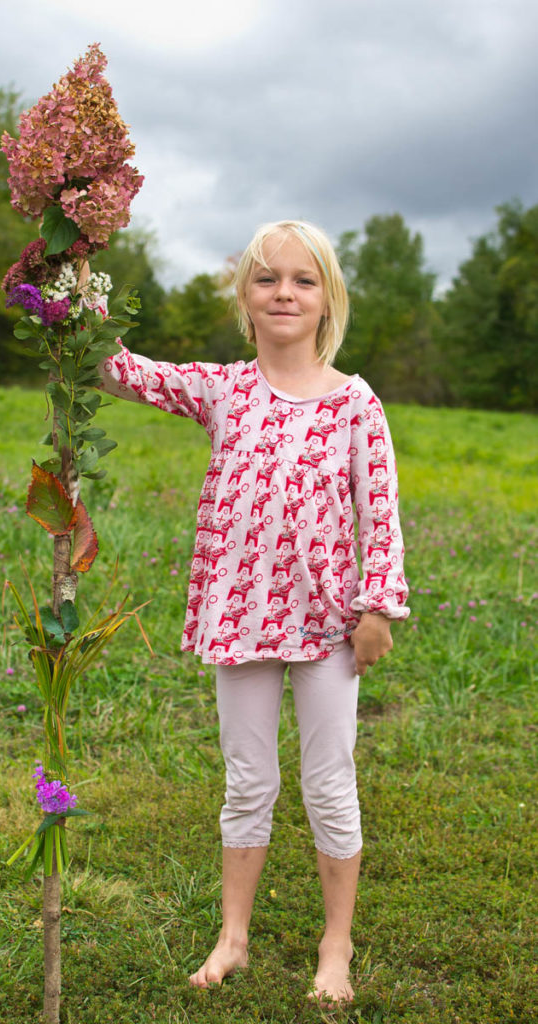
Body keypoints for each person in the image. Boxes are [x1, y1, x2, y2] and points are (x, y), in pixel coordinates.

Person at [96, 219, 409, 1005]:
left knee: (328, 782)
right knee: (247, 780)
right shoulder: (224, 388)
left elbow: (380, 513)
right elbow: (119, 372)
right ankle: (233, 936)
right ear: (244, 296)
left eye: (302, 281)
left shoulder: (353, 404)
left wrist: (378, 608)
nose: (283, 293)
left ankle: (333, 944)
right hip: (239, 619)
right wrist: (73, 295)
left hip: (328, 624)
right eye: (266, 278)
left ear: (326, 299)